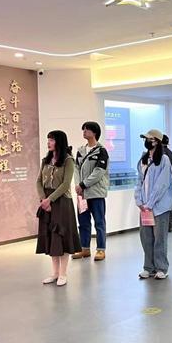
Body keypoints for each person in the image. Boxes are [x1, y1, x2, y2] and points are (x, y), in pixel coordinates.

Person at [36, 130, 81, 286]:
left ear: (59, 142)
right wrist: (43, 199)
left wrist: (50, 199)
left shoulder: (68, 160)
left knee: (61, 236)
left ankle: (63, 273)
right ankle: (54, 273)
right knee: (50, 236)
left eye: (52, 140)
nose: (48, 142)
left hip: (62, 202)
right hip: (46, 201)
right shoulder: (45, 160)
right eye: (48, 139)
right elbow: (38, 181)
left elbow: (66, 184)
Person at [135, 129, 172, 279]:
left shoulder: (164, 160)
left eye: (149, 139)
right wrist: (139, 200)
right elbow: (139, 181)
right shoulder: (143, 159)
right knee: (146, 237)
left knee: (159, 238)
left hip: (159, 207)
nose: (146, 141)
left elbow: (161, 184)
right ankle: (148, 267)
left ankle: (161, 267)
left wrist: (150, 203)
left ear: (156, 141)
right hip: (145, 208)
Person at [73, 121, 110, 261]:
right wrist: (78, 185)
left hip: (96, 193)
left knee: (99, 222)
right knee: (83, 222)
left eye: (87, 129)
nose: (84, 131)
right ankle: (84, 248)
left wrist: (83, 184)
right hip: (82, 194)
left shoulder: (101, 151)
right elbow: (76, 169)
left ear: (95, 132)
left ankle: (101, 249)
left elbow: (99, 172)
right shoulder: (80, 151)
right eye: (83, 129)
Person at [161, 134, 172, 232]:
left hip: (162, 186)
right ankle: (168, 226)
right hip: (168, 185)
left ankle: (165, 227)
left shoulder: (162, 155)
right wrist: (170, 181)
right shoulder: (171, 153)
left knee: (162, 208)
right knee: (168, 206)